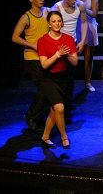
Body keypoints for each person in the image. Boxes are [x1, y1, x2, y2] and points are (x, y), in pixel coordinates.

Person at [37, 11, 78, 149]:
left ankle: (45, 137)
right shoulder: (42, 40)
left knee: (54, 111)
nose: (57, 24)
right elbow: (44, 64)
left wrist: (66, 55)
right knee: (59, 108)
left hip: (63, 78)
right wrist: (57, 54)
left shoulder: (68, 39)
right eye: (54, 21)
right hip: (47, 78)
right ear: (49, 24)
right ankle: (64, 137)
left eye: (59, 21)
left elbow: (75, 62)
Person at [11, 0, 50, 130]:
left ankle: (38, 115)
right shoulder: (26, 17)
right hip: (32, 57)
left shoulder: (47, 12)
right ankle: (32, 116)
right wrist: (32, 45)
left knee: (48, 88)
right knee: (43, 88)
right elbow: (15, 37)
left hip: (46, 56)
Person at [51, 0, 87, 115]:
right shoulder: (57, 7)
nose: (74, 1)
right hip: (59, 44)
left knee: (71, 75)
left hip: (73, 43)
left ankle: (67, 102)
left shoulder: (80, 5)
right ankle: (58, 103)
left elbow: (84, 23)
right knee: (60, 75)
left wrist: (82, 41)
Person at [72, 0, 99, 92]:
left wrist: (83, 7)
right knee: (72, 55)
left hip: (89, 25)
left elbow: (94, 13)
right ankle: (70, 81)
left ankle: (88, 82)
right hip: (74, 26)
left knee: (88, 57)